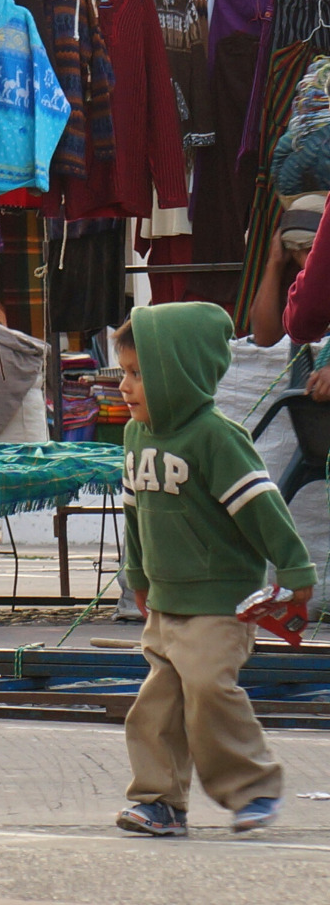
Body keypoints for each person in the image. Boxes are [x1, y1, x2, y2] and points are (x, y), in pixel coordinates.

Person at [112, 305, 317, 836]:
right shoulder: (137, 437)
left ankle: (253, 789)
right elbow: (136, 515)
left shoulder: (216, 438)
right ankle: (159, 802)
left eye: (139, 374)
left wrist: (296, 569)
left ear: (179, 373)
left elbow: (262, 508)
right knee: (155, 707)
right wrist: (137, 576)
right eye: (125, 374)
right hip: (166, 603)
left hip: (221, 605)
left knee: (207, 690)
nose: (126, 386)